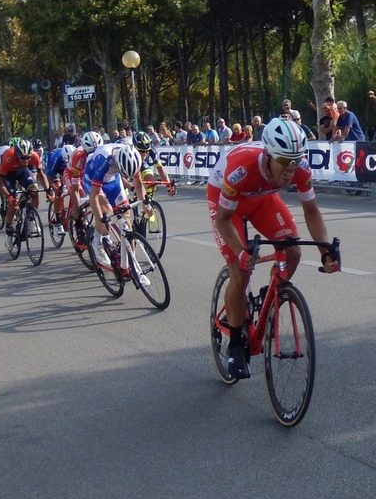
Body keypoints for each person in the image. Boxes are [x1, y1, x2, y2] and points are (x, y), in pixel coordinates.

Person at [206, 117, 339, 379]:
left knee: (293, 251)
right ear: (268, 155)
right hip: (227, 204)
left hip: (262, 199)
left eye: (296, 159)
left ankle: (271, 294)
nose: (291, 168)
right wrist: (242, 253)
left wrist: (326, 250)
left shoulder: (299, 168)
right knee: (240, 270)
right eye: (285, 161)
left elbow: (311, 211)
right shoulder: (241, 169)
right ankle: (235, 343)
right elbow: (223, 220)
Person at [83, 142, 148, 280]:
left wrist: (145, 204)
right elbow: (94, 196)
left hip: (114, 180)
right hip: (92, 179)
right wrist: (99, 219)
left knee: (127, 224)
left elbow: (138, 184)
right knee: (106, 211)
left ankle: (127, 264)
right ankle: (97, 242)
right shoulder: (104, 159)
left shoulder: (133, 158)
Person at [0, 138, 53, 249]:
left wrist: (48, 191)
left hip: (22, 172)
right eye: (22, 158)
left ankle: (31, 218)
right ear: (16, 154)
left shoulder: (34, 156)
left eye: (28, 157)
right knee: (13, 201)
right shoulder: (8, 157)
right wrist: (8, 197)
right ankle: (8, 229)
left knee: (35, 190)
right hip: (8, 176)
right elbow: (0, 182)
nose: (26, 160)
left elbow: (41, 174)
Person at [130, 132, 176, 199]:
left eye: (147, 151)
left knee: (151, 180)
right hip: (132, 164)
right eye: (142, 151)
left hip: (142, 163)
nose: (145, 154)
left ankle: (149, 201)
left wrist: (168, 185)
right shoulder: (129, 150)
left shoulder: (151, 148)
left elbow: (160, 168)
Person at [45, 143, 76, 236]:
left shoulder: (76, 157)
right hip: (55, 169)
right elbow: (49, 177)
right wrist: (55, 189)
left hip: (69, 169)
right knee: (58, 190)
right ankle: (58, 222)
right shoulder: (56, 159)